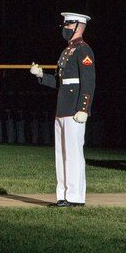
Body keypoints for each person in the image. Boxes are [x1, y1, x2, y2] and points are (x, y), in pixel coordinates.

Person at [30, 12, 95, 207]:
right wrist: (41, 76)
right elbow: (61, 83)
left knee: (73, 154)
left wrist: (84, 107)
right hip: (62, 107)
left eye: (69, 24)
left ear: (79, 26)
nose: (65, 28)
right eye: (65, 24)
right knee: (62, 154)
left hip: (75, 108)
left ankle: (75, 197)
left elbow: (88, 82)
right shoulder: (66, 51)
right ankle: (63, 195)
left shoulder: (83, 50)